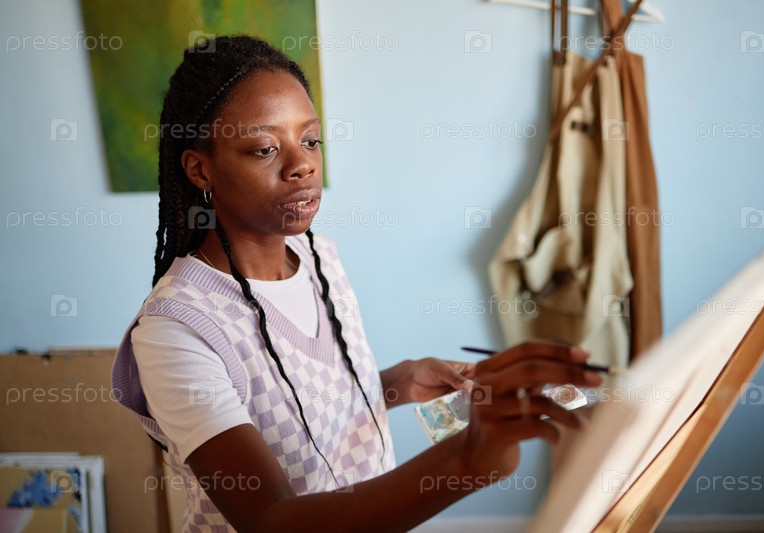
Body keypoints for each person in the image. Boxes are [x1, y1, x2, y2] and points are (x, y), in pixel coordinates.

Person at [112, 35, 602, 532]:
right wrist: (467, 461)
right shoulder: (176, 331)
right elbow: (270, 521)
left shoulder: (319, 256)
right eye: (264, 148)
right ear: (200, 170)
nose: (302, 165)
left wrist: (396, 383)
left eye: (310, 140)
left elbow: (302, 412)